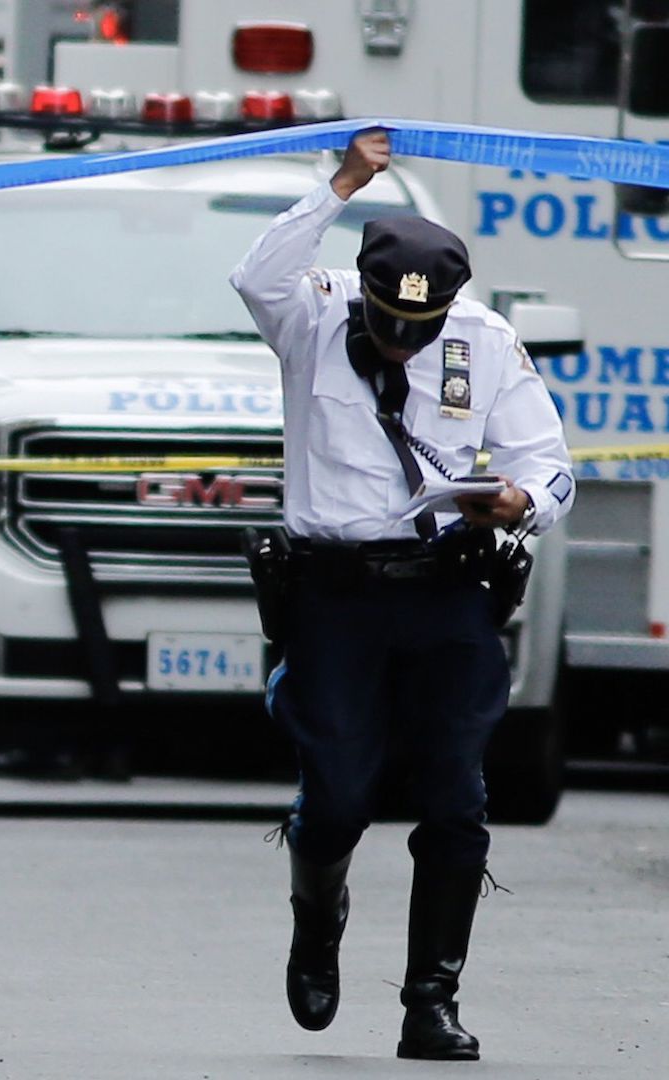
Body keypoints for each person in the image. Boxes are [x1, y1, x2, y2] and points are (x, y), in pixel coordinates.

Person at [231, 129, 575, 1062]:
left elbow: (550, 466)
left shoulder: (485, 341)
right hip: (336, 596)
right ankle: (318, 917)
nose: (402, 339)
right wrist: (341, 184)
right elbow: (255, 276)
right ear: (367, 293)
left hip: (445, 592)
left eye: (421, 326)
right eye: (389, 322)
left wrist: (519, 503)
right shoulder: (311, 316)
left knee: (456, 798)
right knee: (338, 799)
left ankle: (432, 1002)